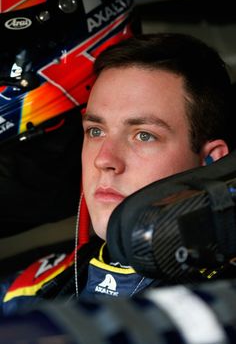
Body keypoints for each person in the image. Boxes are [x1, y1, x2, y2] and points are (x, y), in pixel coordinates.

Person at [0, 32, 234, 314]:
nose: (104, 160)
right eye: (96, 131)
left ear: (210, 161)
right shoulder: (28, 290)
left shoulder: (222, 304)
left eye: (144, 135)